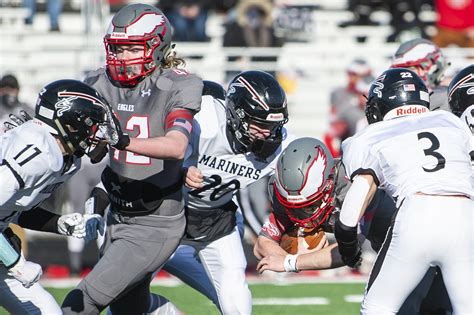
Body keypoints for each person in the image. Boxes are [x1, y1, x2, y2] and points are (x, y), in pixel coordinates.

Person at [61, 3, 202, 315]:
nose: (121, 58)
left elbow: (177, 146)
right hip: (117, 211)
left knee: (79, 304)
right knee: (130, 309)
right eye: (117, 49)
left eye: (130, 49)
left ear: (157, 46)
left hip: (155, 218)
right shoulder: (99, 83)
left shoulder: (177, 84)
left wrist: (123, 140)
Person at [334, 68, 473, 314]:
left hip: (418, 214)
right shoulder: (450, 121)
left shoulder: (368, 136)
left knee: (377, 308)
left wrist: (348, 247)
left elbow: (352, 207)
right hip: (465, 214)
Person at [161, 71, 293, 315]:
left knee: (236, 303)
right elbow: (159, 153)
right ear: (235, 115)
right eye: (260, 125)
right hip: (166, 216)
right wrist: (178, 170)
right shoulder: (206, 121)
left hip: (217, 221)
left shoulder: (280, 144)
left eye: (273, 126)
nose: (268, 134)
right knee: (125, 292)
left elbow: (310, 162)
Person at [0, 79, 111, 314]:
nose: (97, 132)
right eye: (91, 124)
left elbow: (12, 209)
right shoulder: (38, 151)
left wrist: (58, 224)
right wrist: (16, 263)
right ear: (69, 121)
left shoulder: (65, 158)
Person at [254, 137, 396, 273]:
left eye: (310, 205)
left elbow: (348, 252)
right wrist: (287, 258)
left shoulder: (350, 187)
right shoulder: (287, 195)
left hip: (401, 234)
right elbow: (262, 243)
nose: (302, 215)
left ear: (329, 185)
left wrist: (291, 262)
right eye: (295, 208)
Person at [391, 38, 450, 111]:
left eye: (409, 69)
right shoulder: (398, 98)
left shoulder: (444, 98)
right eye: (397, 70)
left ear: (433, 68)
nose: (401, 75)